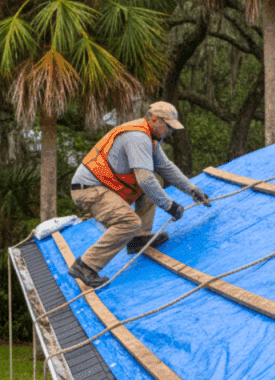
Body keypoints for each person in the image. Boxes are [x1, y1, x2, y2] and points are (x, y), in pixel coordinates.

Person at [68, 102, 210, 288]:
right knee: (128, 222)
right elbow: (144, 180)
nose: (170, 132)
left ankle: (139, 238)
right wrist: (170, 206)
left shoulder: (150, 138)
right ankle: (85, 265)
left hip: (106, 188)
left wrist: (192, 189)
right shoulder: (137, 137)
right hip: (89, 190)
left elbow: (166, 168)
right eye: (168, 126)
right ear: (154, 119)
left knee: (156, 180)